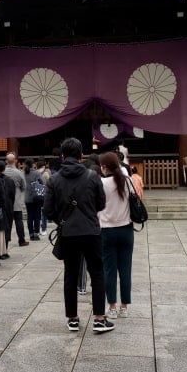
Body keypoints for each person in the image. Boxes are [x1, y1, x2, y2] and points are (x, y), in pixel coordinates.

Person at [43, 137, 114, 334]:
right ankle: (99, 318)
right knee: (97, 273)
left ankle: (72, 318)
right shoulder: (92, 176)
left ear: (63, 156)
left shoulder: (54, 179)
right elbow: (101, 203)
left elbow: (48, 209)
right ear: (81, 155)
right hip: (91, 231)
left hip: (68, 232)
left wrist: (62, 220)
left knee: (70, 274)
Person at [98, 152, 134, 319]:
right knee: (125, 269)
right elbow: (135, 199)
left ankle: (111, 306)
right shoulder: (127, 181)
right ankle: (124, 307)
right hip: (126, 229)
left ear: (104, 167)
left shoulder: (101, 183)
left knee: (109, 270)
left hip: (106, 230)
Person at [4, 152, 28, 247]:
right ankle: (21, 240)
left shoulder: (3, 172)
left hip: (5, 201)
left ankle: (5, 242)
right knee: (18, 221)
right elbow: (24, 186)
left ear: (6, 161)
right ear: (15, 161)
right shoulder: (19, 173)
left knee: (7, 223)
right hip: (16, 200)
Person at [0, 160, 16, 259]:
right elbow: (13, 195)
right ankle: (4, 250)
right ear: (4, 168)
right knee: (7, 228)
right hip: (8, 207)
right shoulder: (10, 181)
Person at [23, 158, 44, 241]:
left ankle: (31, 234)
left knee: (30, 216)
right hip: (36, 197)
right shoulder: (37, 173)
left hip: (27, 197)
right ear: (33, 164)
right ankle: (36, 233)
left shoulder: (23, 173)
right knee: (37, 216)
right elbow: (41, 183)